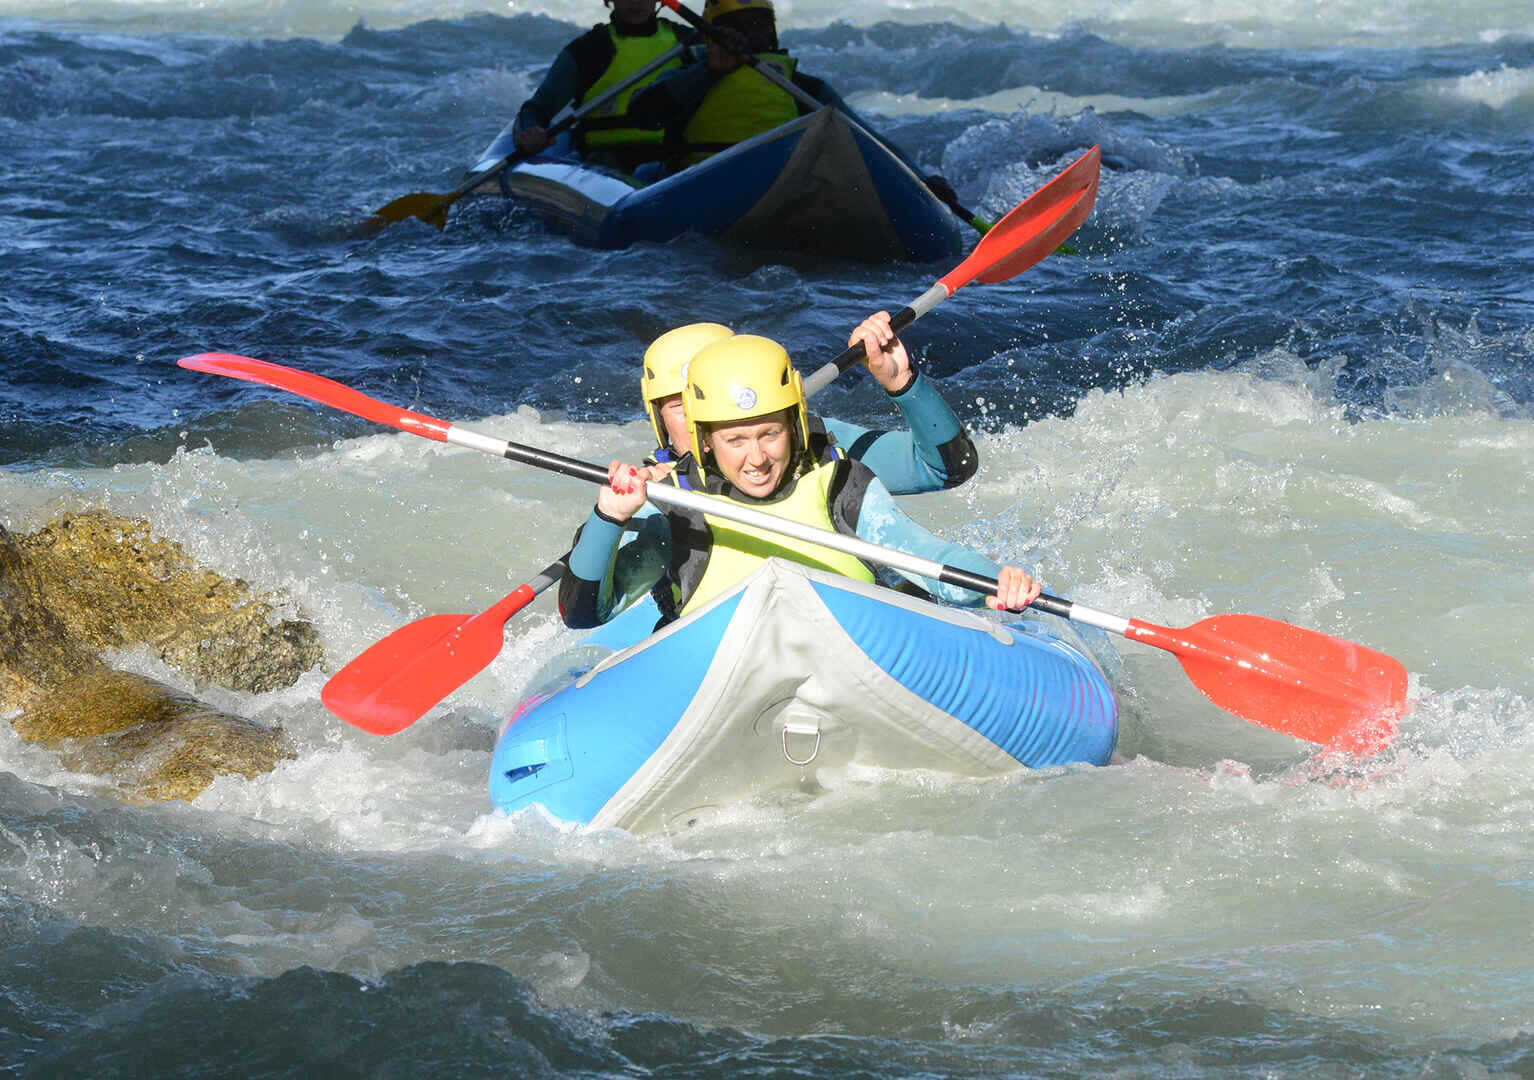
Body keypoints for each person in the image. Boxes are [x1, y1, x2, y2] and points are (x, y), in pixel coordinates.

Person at [559, 332, 1040, 628]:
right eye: (677, 408)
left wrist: (988, 581)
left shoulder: (833, 470)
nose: (756, 457)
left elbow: (923, 541)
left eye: (769, 432)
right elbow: (584, 613)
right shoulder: (663, 502)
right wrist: (608, 518)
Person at [625, 0, 955, 202]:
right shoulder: (690, 74)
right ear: (715, 35)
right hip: (696, 183)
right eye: (740, 27)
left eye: (759, 26)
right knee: (642, 171)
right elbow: (640, 115)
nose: (752, 35)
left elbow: (867, 138)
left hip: (772, 187)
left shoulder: (798, 84)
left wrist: (922, 179)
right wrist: (707, 72)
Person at [638, 316, 978, 494]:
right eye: (681, 408)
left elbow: (949, 468)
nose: (703, 419)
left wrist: (901, 380)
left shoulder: (817, 449)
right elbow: (589, 608)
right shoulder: (650, 489)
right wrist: (621, 514)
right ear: (659, 421)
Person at [511, 0, 699, 173]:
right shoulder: (589, 50)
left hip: (672, 161)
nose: (636, 2)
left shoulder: (689, 42)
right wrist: (530, 133)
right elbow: (536, 109)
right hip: (603, 163)